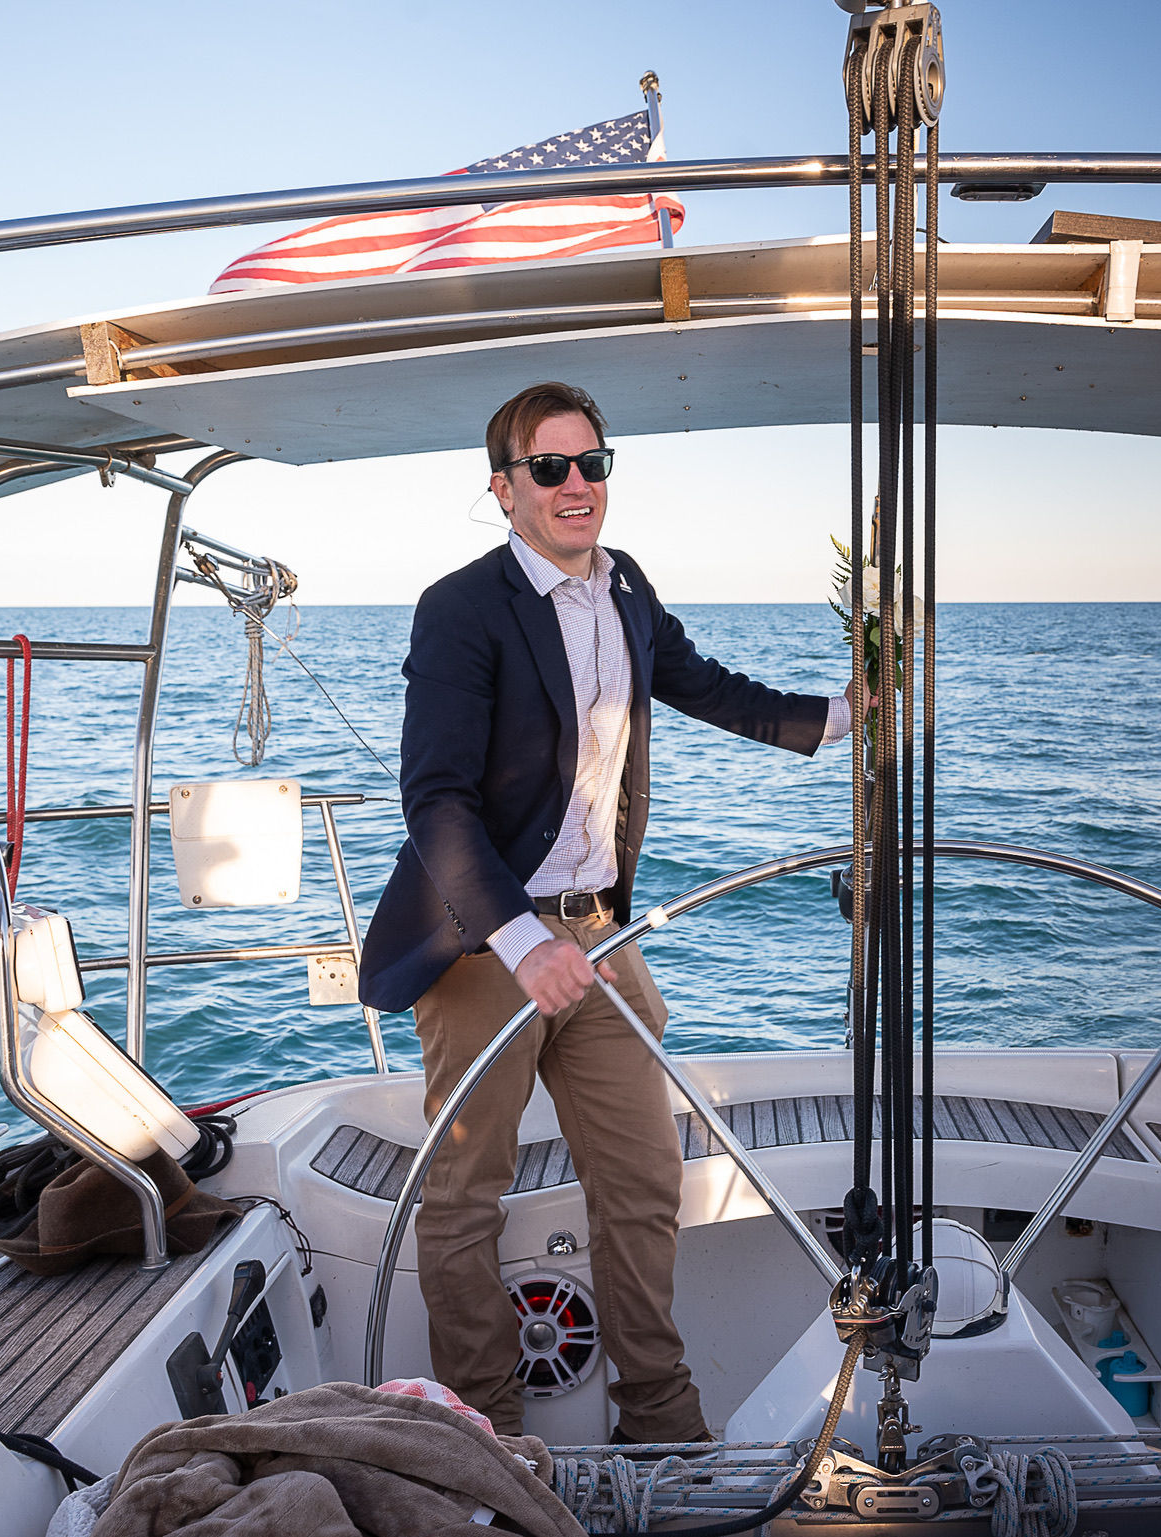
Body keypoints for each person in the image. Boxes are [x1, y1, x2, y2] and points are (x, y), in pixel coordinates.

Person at [359, 381, 852, 1444]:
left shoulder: (626, 585)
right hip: (488, 940)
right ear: (504, 489)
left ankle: (661, 1425)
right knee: (465, 1194)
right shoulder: (460, 607)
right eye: (550, 468)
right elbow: (434, 799)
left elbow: (703, 684)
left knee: (642, 1178)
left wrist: (845, 716)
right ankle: (482, 1437)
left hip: (600, 934)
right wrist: (524, 940)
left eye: (592, 464)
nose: (576, 486)